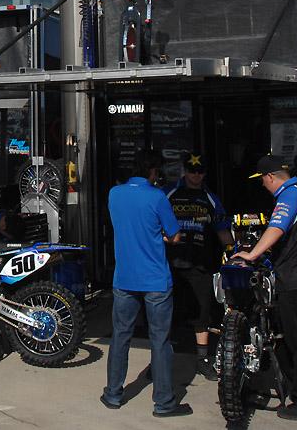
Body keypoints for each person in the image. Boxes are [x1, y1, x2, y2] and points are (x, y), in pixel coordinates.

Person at [234, 154, 297, 422]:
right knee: (290, 339)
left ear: (271, 177)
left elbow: (277, 227)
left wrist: (252, 254)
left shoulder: (288, 196)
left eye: (262, 179)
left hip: (296, 278)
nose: (262, 185)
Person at [102, 149, 193, 417]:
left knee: (120, 335)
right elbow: (174, 236)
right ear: (154, 171)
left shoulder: (114, 194)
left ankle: (113, 393)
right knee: (160, 340)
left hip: (124, 277)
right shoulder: (157, 196)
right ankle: (163, 402)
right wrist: (159, 236)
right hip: (155, 278)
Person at [166, 152, 233, 381]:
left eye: (200, 171)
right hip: (170, 263)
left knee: (202, 313)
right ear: (184, 171)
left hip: (200, 264)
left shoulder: (210, 198)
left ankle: (203, 360)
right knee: (166, 313)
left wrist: (234, 251)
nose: (196, 175)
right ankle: (161, 361)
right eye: (192, 170)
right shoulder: (169, 193)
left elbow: (223, 230)